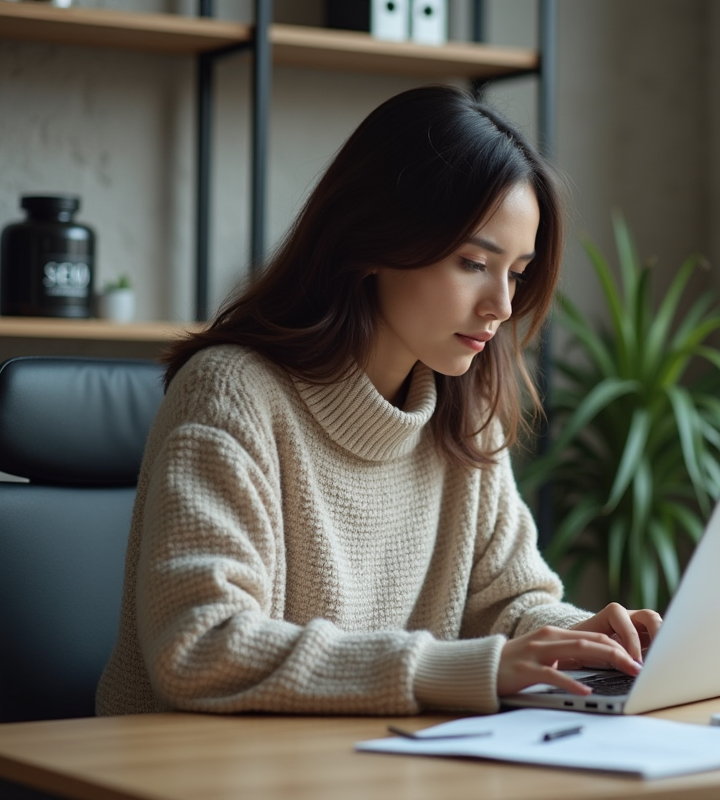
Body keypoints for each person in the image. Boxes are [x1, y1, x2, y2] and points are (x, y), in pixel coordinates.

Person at [95, 85, 661, 717]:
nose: (501, 306)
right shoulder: (233, 396)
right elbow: (202, 646)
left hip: (377, 764)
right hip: (196, 772)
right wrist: (459, 668)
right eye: (475, 262)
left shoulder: (461, 411)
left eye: (518, 273)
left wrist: (590, 641)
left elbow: (509, 602)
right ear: (374, 242)